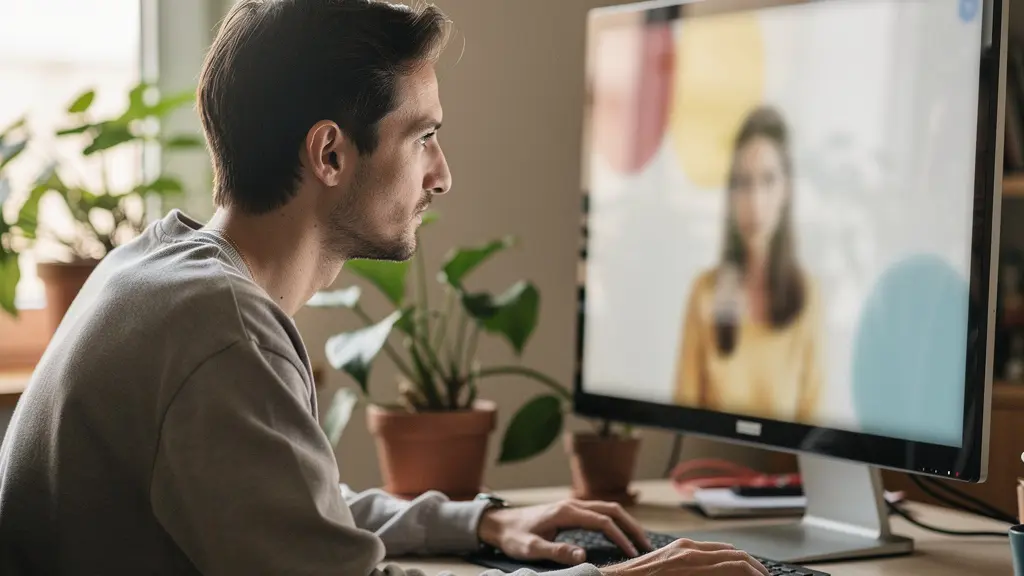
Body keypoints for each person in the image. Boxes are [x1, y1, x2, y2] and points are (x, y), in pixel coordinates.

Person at [0, 2, 768, 576]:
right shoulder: (219, 328)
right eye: (424, 137)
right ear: (330, 153)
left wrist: (481, 523)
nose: (443, 174)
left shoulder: (154, 267)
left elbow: (296, 512)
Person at [674, 105, 823, 425]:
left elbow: (815, 427)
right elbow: (683, 415)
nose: (755, 201)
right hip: (711, 467)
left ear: (787, 188)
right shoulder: (706, 292)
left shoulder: (808, 296)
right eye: (743, 183)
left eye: (768, 180)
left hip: (783, 471)